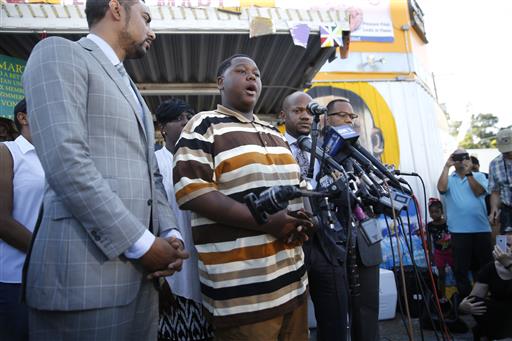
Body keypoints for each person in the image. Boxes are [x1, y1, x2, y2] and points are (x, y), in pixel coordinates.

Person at [22, 1, 189, 339]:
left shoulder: (131, 88)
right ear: (116, 8)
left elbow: (151, 175)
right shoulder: (58, 53)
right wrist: (143, 244)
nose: (152, 31)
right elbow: (66, 162)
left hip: (141, 284)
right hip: (84, 281)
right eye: (146, 18)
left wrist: (171, 234)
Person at [173, 54, 313, 340]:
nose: (252, 77)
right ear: (221, 82)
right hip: (243, 295)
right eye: (242, 71)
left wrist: (304, 222)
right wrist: (267, 223)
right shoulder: (204, 125)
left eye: (257, 74)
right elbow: (191, 192)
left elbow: (296, 193)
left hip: (294, 285)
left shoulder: (274, 133)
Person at [279, 91, 348, 341]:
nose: (305, 116)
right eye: (298, 111)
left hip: (326, 244)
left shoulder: (325, 151)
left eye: (310, 111)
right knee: (292, 322)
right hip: (289, 243)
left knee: (335, 319)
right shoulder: (273, 148)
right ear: (283, 115)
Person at [154, 98, 213, 341]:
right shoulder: (153, 162)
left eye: (190, 117)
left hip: (204, 262)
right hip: (170, 263)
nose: (187, 122)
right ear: (163, 128)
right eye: (179, 118)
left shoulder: (206, 161)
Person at [326, 97, 382, 341]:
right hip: (333, 243)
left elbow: (380, 191)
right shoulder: (318, 153)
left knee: (368, 308)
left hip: (365, 239)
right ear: (326, 120)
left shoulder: (363, 154)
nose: (350, 120)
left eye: (352, 116)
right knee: (334, 314)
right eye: (343, 115)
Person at [0, 99, 44, 341]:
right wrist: (46, 253)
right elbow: (1, 220)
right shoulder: (7, 152)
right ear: (23, 118)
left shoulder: (55, 157)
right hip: (16, 278)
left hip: (54, 278)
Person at [437, 149, 493, 298]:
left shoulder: (479, 176)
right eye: (457, 157)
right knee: (461, 269)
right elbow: (441, 189)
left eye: (464, 157)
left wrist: (469, 173)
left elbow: (479, 192)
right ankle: (467, 301)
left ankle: (488, 297)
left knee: (485, 266)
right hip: (459, 231)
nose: (461, 160)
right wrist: (447, 166)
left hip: (481, 229)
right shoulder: (449, 178)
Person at [458, 228, 512, 340]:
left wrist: (508, 264)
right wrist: (464, 306)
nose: (509, 249)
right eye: (506, 245)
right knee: (476, 302)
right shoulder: (490, 268)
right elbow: (474, 297)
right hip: (499, 313)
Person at [426, 198, 453, 302]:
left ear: (442, 211)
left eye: (437, 212)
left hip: (450, 252)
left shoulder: (447, 223)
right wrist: (430, 255)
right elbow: (429, 241)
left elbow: (453, 236)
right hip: (439, 253)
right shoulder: (429, 226)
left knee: (456, 271)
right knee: (441, 275)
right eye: (431, 212)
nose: (434, 214)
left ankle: (458, 293)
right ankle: (442, 296)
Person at [489, 128, 512, 233]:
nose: (509, 153)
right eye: (506, 151)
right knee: (506, 245)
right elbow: (495, 191)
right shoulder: (494, 164)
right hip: (507, 210)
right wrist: (494, 209)